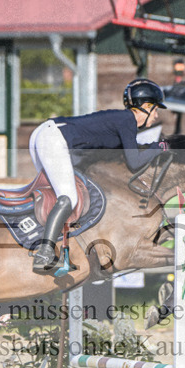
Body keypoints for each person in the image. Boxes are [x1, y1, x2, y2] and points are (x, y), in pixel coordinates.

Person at [28, 78, 168, 272]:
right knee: (68, 197)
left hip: (45, 134)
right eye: (156, 110)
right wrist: (159, 147)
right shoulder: (127, 120)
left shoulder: (121, 122)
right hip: (52, 139)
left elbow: (127, 157)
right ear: (145, 107)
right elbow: (135, 162)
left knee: (55, 195)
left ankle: (48, 244)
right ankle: (44, 252)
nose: (156, 116)